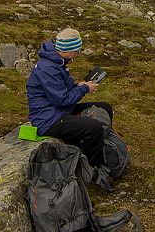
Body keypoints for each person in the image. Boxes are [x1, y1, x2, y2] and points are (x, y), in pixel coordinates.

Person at [26, 28, 113, 167]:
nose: (77, 54)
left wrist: (78, 84)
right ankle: (91, 168)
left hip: (60, 111)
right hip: (48, 120)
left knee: (105, 107)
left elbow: (61, 89)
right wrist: (85, 89)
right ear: (67, 49)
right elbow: (62, 100)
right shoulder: (47, 67)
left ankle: (101, 148)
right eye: (76, 51)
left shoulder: (56, 62)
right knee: (94, 127)